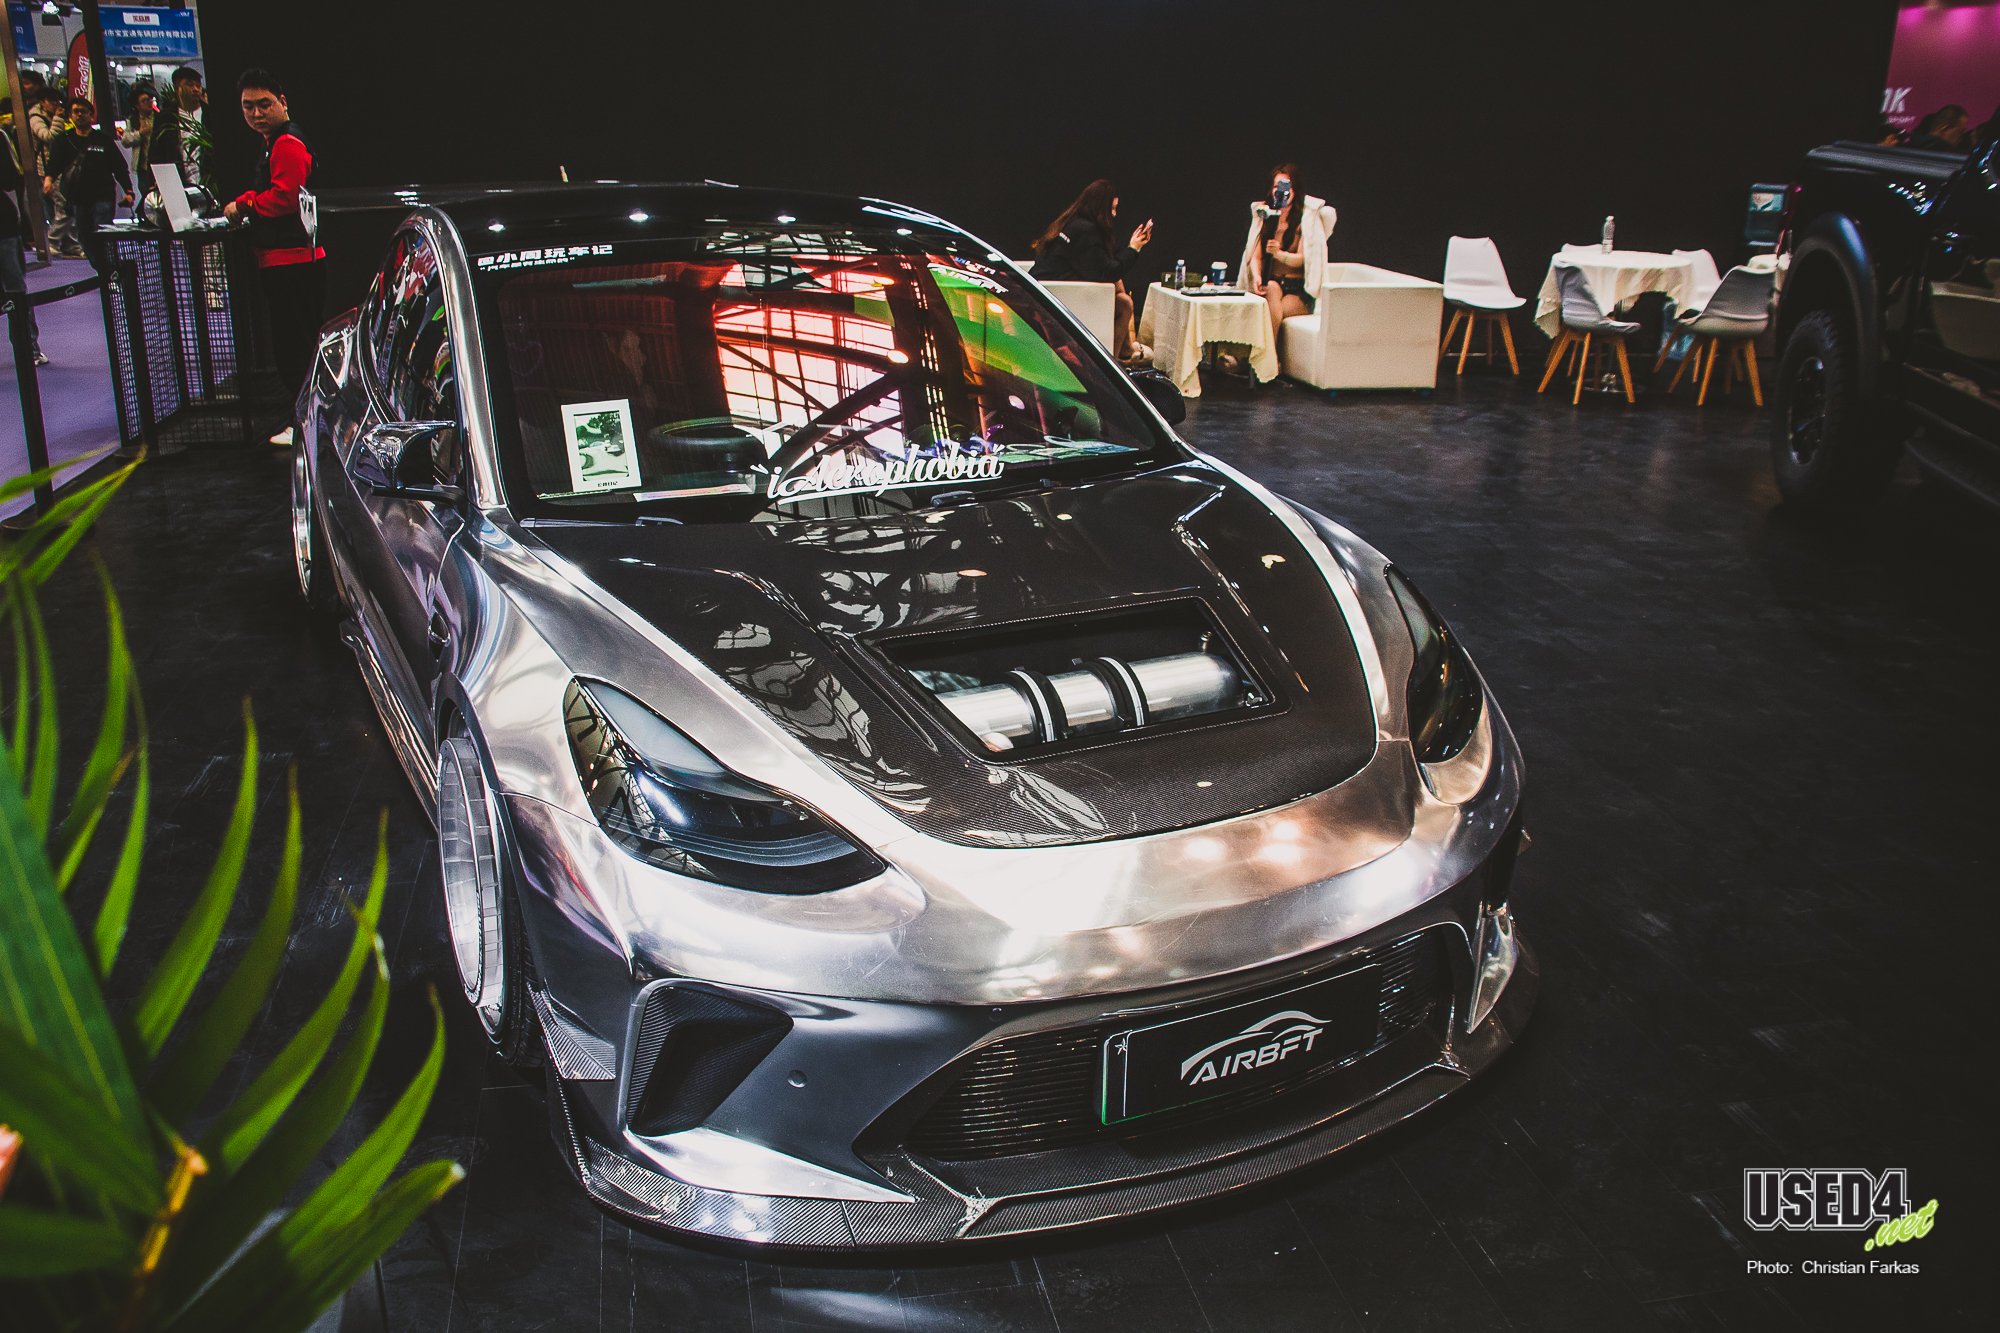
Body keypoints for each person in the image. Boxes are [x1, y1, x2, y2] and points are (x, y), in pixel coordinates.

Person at [223, 67, 324, 431]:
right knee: (295, 347)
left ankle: (304, 424)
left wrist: (245, 203)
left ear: (282, 102)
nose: (256, 113)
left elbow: (285, 197)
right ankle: (307, 420)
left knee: (294, 351)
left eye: (264, 104)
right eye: (248, 106)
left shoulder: (286, 143)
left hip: (291, 262)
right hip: (288, 260)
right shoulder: (277, 142)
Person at [1030, 179, 1154, 362]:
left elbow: (1102, 263)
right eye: (1112, 208)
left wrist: (1130, 247)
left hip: (1042, 292)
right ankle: (1114, 363)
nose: (1114, 214)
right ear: (1101, 207)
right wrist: (1134, 249)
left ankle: (1126, 349)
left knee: (1118, 285)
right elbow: (1107, 272)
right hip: (1057, 299)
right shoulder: (1085, 231)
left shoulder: (1071, 223)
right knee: (1125, 303)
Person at [1238, 164, 1335, 351]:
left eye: (1286, 186)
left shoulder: (1304, 220)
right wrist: (1256, 276)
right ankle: (1268, 360)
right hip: (1273, 284)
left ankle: (1261, 358)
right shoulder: (1265, 216)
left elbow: (1304, 259)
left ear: (1294, 190)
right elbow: (1255, 255)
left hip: (1297, 291)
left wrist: (1280, 255)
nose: (1281, 191)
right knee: (1271, 291)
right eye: (1277, 186)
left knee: (1271, 312)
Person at [42, 97, 133, 274]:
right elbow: (54, 164)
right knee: (84, 238)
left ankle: (110, 271)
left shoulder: (103, 140)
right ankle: (102, 270)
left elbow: (119, 167)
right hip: (77, 198)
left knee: (103, 235)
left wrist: (129, 191)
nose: (80, 115)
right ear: (70, 115)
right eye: (76, 111)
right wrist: (48, 180)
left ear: (92, 116)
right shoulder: (63, 140)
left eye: (84, 112)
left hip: (103, 196)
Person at [0, 129, 46, 365]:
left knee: (16, 290)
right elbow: (12, 179)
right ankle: (30, 349)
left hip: (4, 227)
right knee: (15, 289)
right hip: (5, 227)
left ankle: (30, 349)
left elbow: (11, 179)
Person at [27, 86, 72, 255]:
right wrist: (59, 119)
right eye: (52, 101)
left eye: (58, 101)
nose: (56, 104)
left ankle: (67, 244)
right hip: (46, 169)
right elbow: (49, 137)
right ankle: (52, 241)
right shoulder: (36, 118)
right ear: (42, 102)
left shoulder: (51, 116)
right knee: (64, 206)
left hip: (59, 167)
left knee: (60, 208)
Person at [149, 65, 209, 191]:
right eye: (190, 85)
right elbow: (156, 151)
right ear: (177, 87)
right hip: (176, 182)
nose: (195, 89)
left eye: (198, 85)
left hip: (208, 180)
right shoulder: (166, 118)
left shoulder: (210, 114)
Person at [121, 85, 157, 192]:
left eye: (149, 100)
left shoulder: (158, 117)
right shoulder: (133, 120)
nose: (148, 103)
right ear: (137, 105)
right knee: (145, 193)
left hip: (158, 163)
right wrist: (140, 134)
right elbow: (125, 141)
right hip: (143, 167)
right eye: (144, 101)